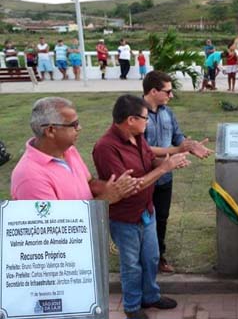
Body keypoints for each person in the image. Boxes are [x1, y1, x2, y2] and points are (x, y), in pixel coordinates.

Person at [93, 94, 191, 319]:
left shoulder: (138, 137)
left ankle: (151, 296)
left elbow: (149, 162)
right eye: (145, 118)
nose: (148, 122)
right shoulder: (105, 148)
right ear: (130, 119)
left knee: (151, 258)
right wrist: (164, 169)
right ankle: (132, 305)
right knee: (132, 265)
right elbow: (127, 188)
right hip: (125, 218)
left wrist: (170, 163)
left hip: (147, 211)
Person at [142, 71, 212, 274]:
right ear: (153, 91)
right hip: (145, 177)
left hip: (165, 177)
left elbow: (177, 136)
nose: (171, 96)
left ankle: (158, 257)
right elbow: (142, 149)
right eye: (168, 91)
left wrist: (189, 145)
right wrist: (176, 151)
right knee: (143, 219)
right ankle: (143, 258)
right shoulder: (138, 113)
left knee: (161, 218)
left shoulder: (167, 113)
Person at [11, 97, 139, 202]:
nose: (80, 128)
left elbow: (89, 182)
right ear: (50, 130)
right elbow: (54, 227)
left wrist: (115, 188)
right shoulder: (30, 176)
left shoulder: (69, 150)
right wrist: (106, 199)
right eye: (74, 124)